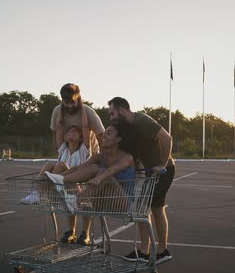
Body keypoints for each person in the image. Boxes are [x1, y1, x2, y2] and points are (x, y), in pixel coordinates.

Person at [107, 97, 175, 263]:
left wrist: (162, 164)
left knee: (146, 209)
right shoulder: (125, 128)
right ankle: (152, 251)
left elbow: (166, 138)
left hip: (163, 170)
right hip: (149, 173)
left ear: (122, 110)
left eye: (112, 113)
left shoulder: (142, 120)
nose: (111, 117)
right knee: (154, 210)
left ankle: (154, 251)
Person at [48, 83, 105, 245]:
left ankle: (85, 233)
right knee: (69, 196)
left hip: (87, 156)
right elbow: (57, 129)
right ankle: (71, 231)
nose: (69, 106)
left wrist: (102, 158)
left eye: (72, 103)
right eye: (66, 103)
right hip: (68, 155)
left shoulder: (88, 111)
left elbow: (99, 132)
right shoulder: (57, 111)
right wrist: (59, 150)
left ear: (78, 98)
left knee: (85, 198)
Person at [44, 124, 137, 216]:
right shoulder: (101, 156)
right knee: (94, 168)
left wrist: (98, 178)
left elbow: (111, 171)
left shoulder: (127, 157)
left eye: (108, 133)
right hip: (102, 202)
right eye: (104, 132)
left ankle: (75, 200)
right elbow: (78, 168)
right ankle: (60, 180)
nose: (103, 135)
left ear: (118, 139)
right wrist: (57, 176)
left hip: (122, 203)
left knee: (102, 172)